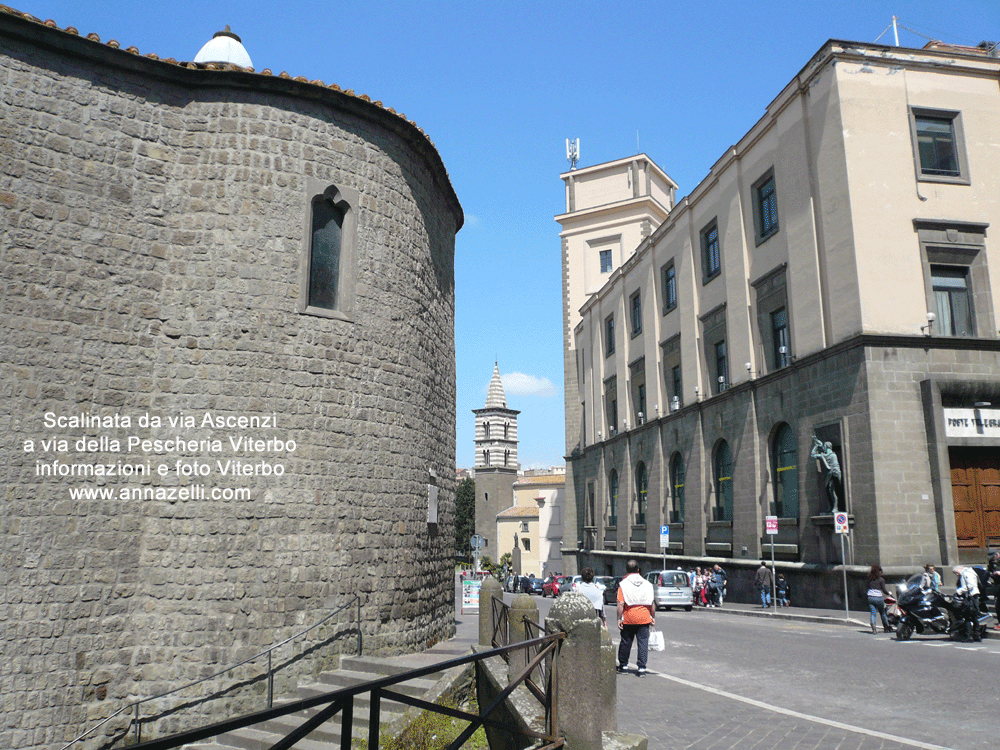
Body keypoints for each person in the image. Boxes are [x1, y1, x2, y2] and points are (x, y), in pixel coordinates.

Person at [617, 559, 655, 677]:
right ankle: (642, 668)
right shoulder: (648, 584)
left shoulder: (622, 585)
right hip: (644, 617)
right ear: (638, 570)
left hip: (629, 617)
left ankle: (623, 666)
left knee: (626, 642)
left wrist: (619, 618)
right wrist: (652, 616)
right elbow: (652, 603)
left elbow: (620, 603)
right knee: (643, 643)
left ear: (627, 570)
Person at [810, 436, 842, 514]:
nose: (823, 447)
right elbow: (813, 454)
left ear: (827, 446)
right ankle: (831, 507)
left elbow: (836, 467)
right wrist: (817, 444)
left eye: (824, 446)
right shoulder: (824, 455)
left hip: (834, 474)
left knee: (832, 490)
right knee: (829, 491)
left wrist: (817, 446)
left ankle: (835, 508)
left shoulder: (831, 455)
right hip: (829, 475)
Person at [953, 564, 981, 643]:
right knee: (974, 617)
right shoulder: (970, 572)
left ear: (959, 569)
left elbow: (970, 585)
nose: (956, 574)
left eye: (956, 572)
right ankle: (976, 635)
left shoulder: (966, 573)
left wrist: (959, 591)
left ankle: (969, 637)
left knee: (967, 617)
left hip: (970, 597)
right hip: (974, 597)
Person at [865, 565, 893, 635]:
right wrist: (889, 593)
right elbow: (884, 590)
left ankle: (874, 628)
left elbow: (867, 587)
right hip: (878, 598)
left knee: (873, 613)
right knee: (882, 613)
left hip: (870, 597)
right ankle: (886, 627)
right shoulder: (881, 580)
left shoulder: (869, 578)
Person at [987, 551, 1000, 629]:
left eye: (993, 557)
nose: (992, 559)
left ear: (997, 555)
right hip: (997, 585)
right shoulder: (991, 563)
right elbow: (989, 571)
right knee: (997, 605)